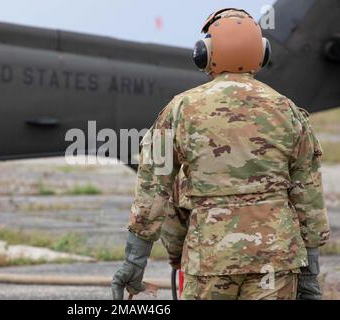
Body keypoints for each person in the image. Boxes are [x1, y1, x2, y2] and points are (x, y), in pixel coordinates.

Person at [111, 8, 330, 300]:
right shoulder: (287, 110)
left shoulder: (181, 109)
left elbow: (154, 190)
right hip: (276, 262)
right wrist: (310, 274)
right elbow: (308, 197)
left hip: (209, 261)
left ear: (205, 54)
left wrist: (134, 262)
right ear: (261, 54)